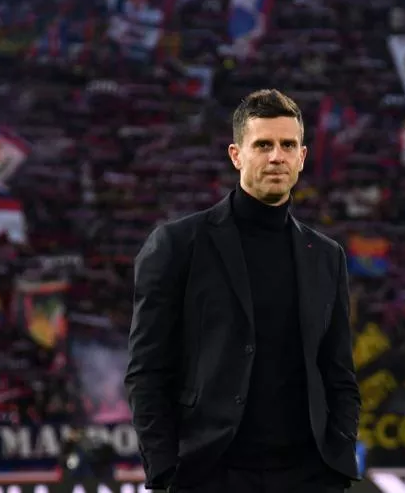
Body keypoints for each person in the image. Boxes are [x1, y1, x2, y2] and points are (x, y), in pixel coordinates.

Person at [125, 89, 361, 493]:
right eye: (263, 145)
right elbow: (146, 371)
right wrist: (165, 470)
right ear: (236, 155)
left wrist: (337, 456)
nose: (276, 157)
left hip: (307, 475)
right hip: (210, 473)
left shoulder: (326, 256)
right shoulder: (177, 244)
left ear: (302, 157)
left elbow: (337, 371)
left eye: (288, 145)